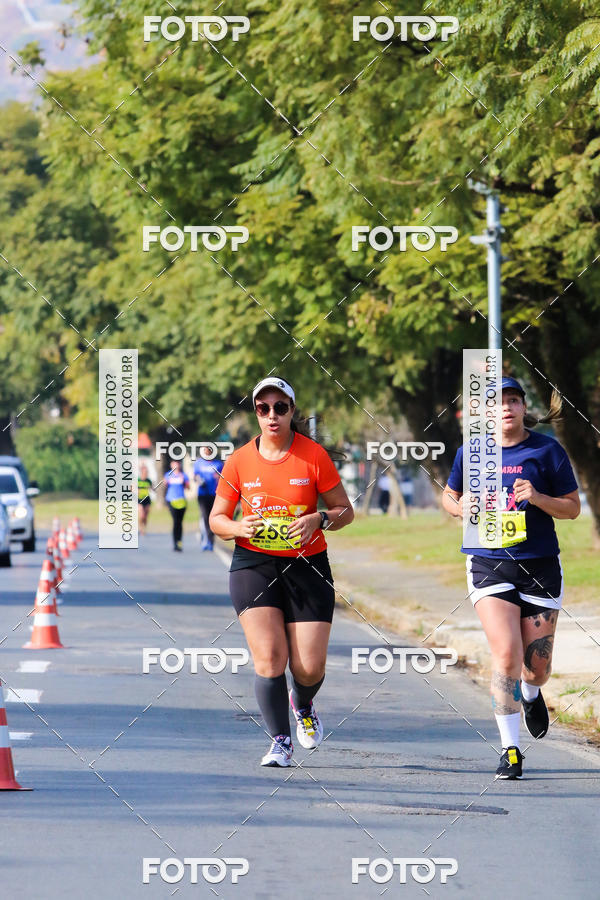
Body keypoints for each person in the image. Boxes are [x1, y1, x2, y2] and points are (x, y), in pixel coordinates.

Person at [210, 376, 354, 767]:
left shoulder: (313, 456)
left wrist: (319, 518)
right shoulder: (239, 460)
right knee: (270, 659)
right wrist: (236, 527)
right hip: (253, 565)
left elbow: (345, 511)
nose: (271, 415)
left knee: (308, 667)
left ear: (291, 411)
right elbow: (217, 519)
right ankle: (280, 742)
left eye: (280, 407)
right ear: (256, 414)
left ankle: (302, 703)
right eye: (263, 408)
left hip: (307, 566)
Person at [442, 377, 580, 780]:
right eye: (498, 402)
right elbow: (449, 497)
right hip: (489, 564)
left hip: (539, 565)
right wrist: (460, 506)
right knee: (506, 653)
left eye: (514, 400)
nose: (506, 407)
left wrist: (537, 497)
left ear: (523, 408)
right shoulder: (472, 452)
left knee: (536, 668)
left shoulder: (547, 451)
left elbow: (572, 508)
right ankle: (510, 750)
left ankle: (532, 692)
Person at [193, 446, 224, 550]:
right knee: (205, 516)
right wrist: (199, 480)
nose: (207, 452)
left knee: (213, 517)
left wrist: (218, 478)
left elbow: (224, 478)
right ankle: (205, 539)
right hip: (202, 494)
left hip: (215, 494)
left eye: (208, 450)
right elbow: (195, 477)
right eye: (205, 450)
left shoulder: (218, 464)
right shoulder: (198, 463)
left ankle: (211, 540)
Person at [164, 459, 189, 551]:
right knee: (175, 521)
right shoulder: (168, 475)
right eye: (174, 463)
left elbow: (188, 487)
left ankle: (179, 541)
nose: (176, 465)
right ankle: (175, 543)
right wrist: (166, 482)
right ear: (171, 465)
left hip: (181, 501)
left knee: (180, 522)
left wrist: (183, 482)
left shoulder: (184, 475)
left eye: (177, 463)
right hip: (171, 500)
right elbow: (165, 485)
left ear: (180, 465)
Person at [137, 463, 153, 535]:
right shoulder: (138, 480)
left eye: (147, 472)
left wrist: (152, 488)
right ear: (141, 472)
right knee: (141, 515)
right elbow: (131, 488)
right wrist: (136, 491)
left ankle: (144, 528)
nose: (146, 473)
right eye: (144, 472)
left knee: (145, 516)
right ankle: (141, 528)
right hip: (140, 499)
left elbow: (152, 489)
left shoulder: (148, 481)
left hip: (147, 499)